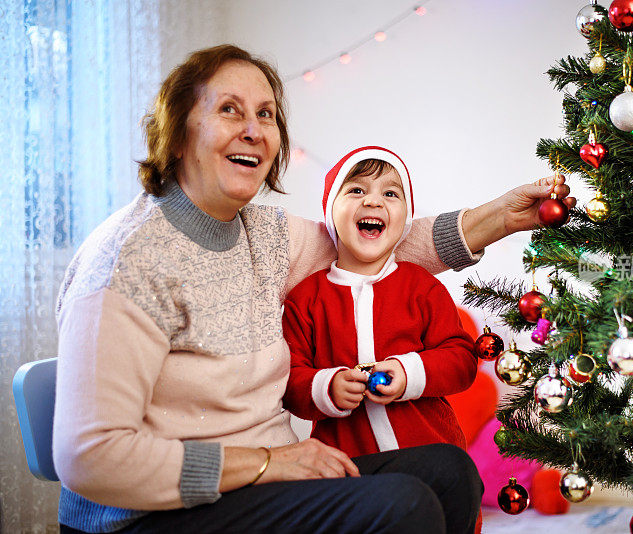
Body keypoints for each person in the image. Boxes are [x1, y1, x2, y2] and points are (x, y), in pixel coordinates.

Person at [52, 44, 575, 534]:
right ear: (180, 131)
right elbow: (91, 457)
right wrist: (266, 463)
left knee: (450, 471)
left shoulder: (264, 234)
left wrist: (501, 218)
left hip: (261, 479)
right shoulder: (127, 263)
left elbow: (374, 247)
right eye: (230, 110)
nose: (254, 130)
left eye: (266, 114)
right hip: (153, 514)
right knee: (404, 506)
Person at [283, 146, 478, 460]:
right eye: (357, 189)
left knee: (450, 487)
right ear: (331, 210)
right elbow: (290, 379)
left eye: (390, 194)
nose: (372, 201)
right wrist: (327, 386)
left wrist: (407, 373)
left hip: (432, 454)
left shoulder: (422, 287)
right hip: (352, 466)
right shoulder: (306, 299)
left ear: (405, 218)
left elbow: (461, 360)